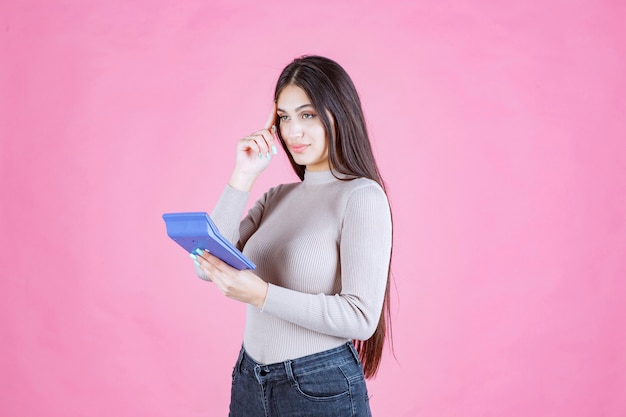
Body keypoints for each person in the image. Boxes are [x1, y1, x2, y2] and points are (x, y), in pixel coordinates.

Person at [191, 55, 393, 417]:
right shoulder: (276, 197)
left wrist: (262, 295)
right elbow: (207, 266)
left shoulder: (361, 196)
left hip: (319, 387)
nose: (293, 131)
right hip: (249, 379)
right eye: (284, 117)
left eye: (308, 115)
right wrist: (244, 174)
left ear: (340, 113)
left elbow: (361, 317)